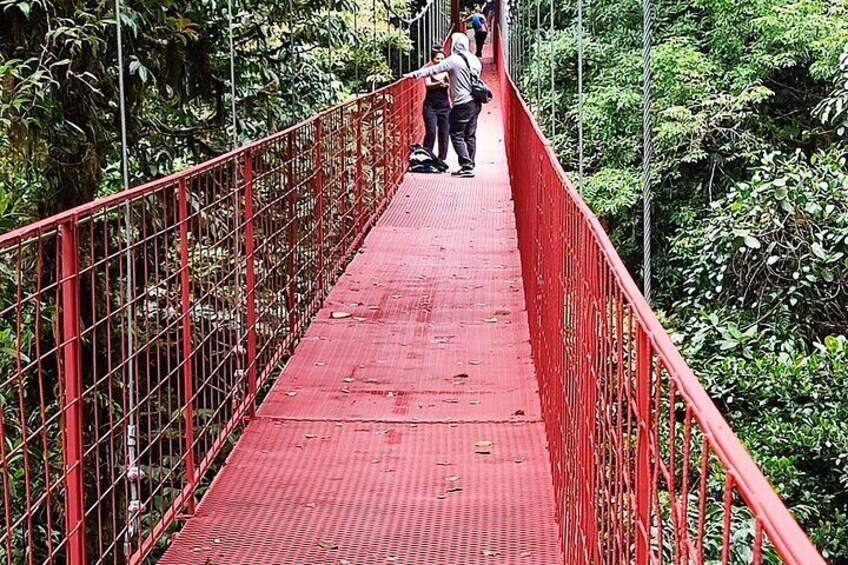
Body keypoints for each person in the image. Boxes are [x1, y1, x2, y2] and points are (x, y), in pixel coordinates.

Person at [406, 33, 483, 178]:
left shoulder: (453, 60)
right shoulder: (475, 60)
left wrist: (414, 74)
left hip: (462, 103)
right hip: (476, 102)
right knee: (470, 135)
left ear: (454, 44)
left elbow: (432, 70)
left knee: (456, 134)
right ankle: (470, 163)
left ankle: (466, 166)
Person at [421, 47, 451, 162]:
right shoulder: (429, 71)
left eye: (442, 59)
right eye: (437, 58)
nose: (440, 61)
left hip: (445, 107)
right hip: (430, 107)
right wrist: (439, 83)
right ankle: (426, 157)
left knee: (444, 134)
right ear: (432, 59)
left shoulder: (447, 71)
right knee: (431, 132)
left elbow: (452, 84)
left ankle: (441, 159)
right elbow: (428, 85)